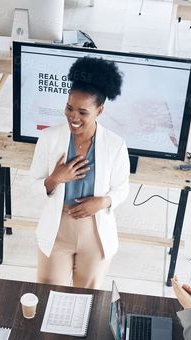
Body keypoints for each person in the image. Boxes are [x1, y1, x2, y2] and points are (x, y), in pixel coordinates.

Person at [30, 56, 130, 289]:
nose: (73, 117)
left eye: (83, 112)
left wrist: (103, 202)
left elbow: (122, 188)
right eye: (69, 108)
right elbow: (32, 184)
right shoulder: (49, 138)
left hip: (94, 232)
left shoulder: (115, 144)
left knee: (87, 298)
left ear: (100, 110)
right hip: (58, 228)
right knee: (47, 294)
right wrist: (55, 179)